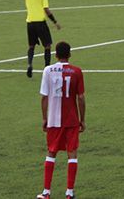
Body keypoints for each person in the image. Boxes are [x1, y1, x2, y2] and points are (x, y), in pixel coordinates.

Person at [36, 41, 84, 199]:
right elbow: (81, 98)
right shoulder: (77, 71)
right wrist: (82, 120)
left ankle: (46, 192)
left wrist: (44, 118)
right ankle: (69, 193)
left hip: (53, 120)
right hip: (71, 120)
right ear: (69, 54)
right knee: (72, 154)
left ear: (55, 55)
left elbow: (44, 97)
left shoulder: (48, 70)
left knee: (51, 152)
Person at [25, 0, 61, 78]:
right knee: (47, 45)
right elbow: (46, 9)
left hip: (30, 23)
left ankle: (29, 64)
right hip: (40, 23)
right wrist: (55, 22)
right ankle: (47, 67)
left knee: (31, 46)